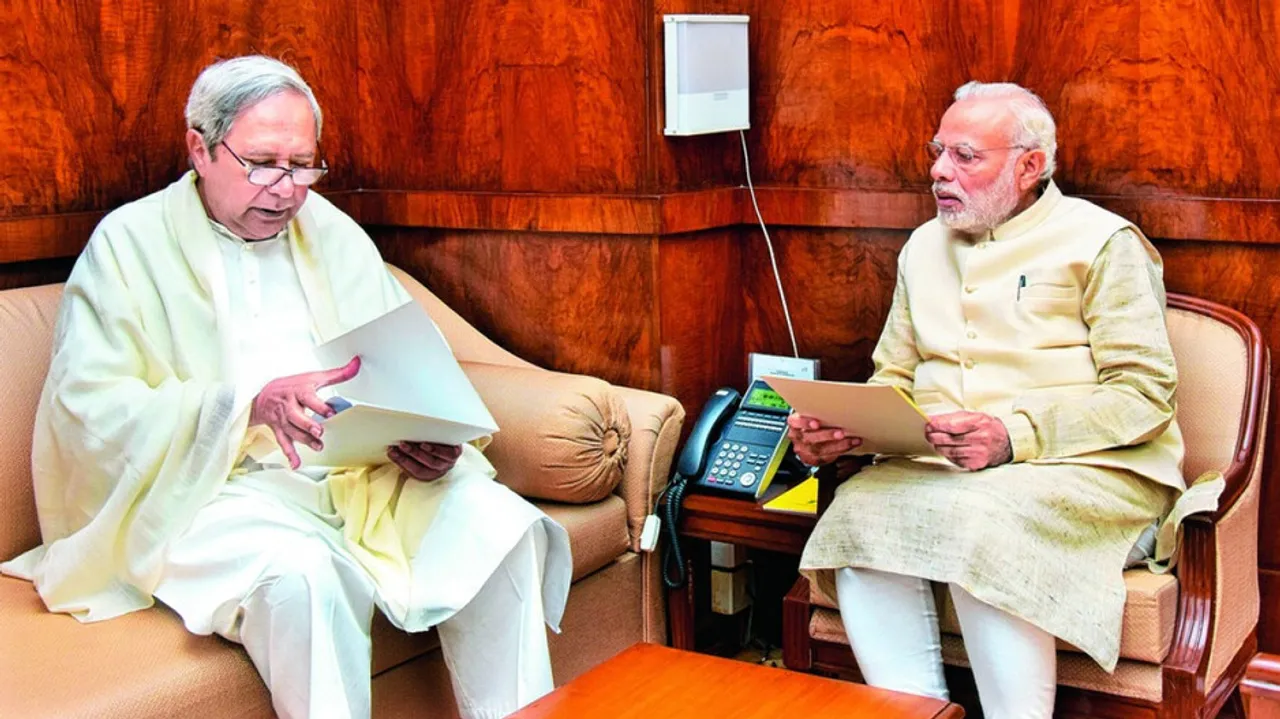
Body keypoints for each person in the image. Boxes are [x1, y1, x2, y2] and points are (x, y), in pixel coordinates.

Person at [0, 55, 570, 719]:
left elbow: (405, 362)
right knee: (305, 576)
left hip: (356, 478)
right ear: (199, 149)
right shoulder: (127, 245)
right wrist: (246, 408)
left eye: (303, 165)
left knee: (500, 529)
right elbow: (89, 409)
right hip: (209, 493)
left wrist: (428, 435)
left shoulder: (327, 229)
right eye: (263, 163)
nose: (287, 190)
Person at [792, 81, 1187, 719]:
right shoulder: (923, 246)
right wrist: (845, 430)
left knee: (981, 528)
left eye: (965, 156)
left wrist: (1014, 436)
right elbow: (894, 376)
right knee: (857, 515)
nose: (939, 171)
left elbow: (1145, 395)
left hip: (1086, 471)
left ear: (1030, 166)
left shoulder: (1104, 241)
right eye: (938, 152)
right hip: (938, 470)